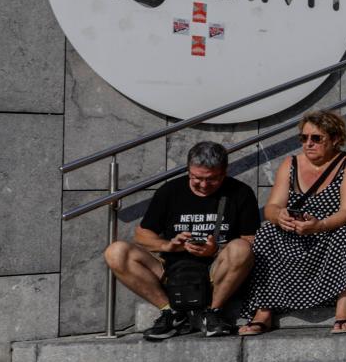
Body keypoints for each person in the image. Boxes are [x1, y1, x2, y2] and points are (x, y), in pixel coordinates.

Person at [240, 111, 346, 336]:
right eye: (304, 138)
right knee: (267, 230)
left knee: (345, 233)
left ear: (336, 139)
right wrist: (279, 216)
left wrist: (320, 225)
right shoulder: (290, 164)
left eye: (317, 138)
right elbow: (271, 207)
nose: (308, 144)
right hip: (299, 229)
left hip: (335, 226)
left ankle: (345, 307)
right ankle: (263, 311)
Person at [104, 141, 259, 340]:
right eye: (196, 178)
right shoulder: (170, 191)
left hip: (216, 270)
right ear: (188, 171)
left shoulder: (240, 192)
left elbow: (251, 240)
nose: (204, 185)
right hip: (172, 269)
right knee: (116, 251)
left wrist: (216, 250)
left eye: (212, 179)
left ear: (224, 172)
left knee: (240, 248)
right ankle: (171, 313)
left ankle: (213, 313)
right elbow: (142, 235)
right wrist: (168, 245)